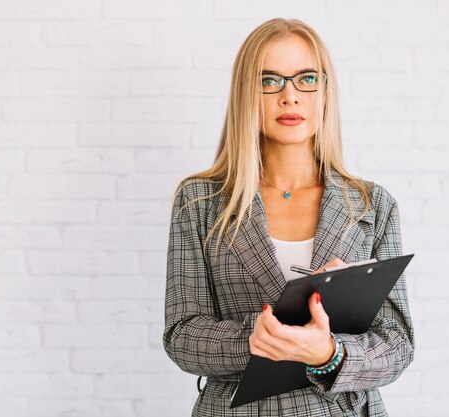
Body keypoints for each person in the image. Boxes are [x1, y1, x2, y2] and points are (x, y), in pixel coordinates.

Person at [162, 17, 415, 417]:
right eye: (270, 81)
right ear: (247, 94)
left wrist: (330, 353)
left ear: (325, 92)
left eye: (306, 79)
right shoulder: (200, 202)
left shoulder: (371, 205)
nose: (290, 96)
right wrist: (254, 338)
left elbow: (397, 343)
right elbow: (182, 336)